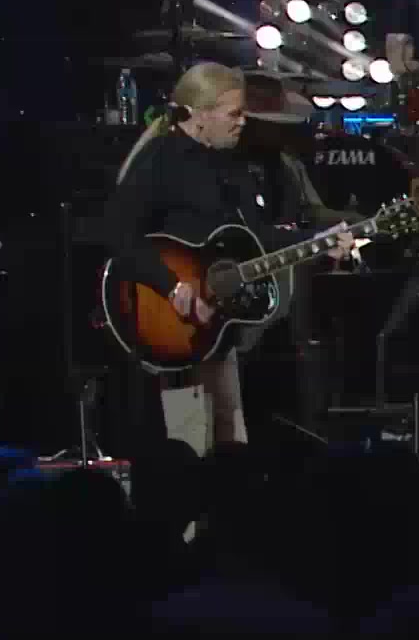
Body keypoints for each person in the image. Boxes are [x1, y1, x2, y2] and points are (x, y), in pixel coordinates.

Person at [102, 62, 352, 455]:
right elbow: (121, 236)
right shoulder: (160, 159)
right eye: (234, 114)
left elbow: (257, 236)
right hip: (172, 320)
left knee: (229, 436)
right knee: (189, 438)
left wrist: (318, 241)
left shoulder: (228, 164)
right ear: (199, 115)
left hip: (218, 325)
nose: (242, 122)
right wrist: (171, 286)